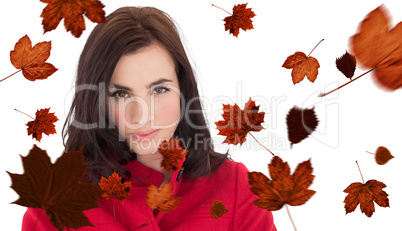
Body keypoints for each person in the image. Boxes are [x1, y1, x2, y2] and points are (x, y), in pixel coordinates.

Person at [21, 6, 276, 231]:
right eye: (121, 93)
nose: (141, 115)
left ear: (183, 90)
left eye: (159, 90)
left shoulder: (236, 187)